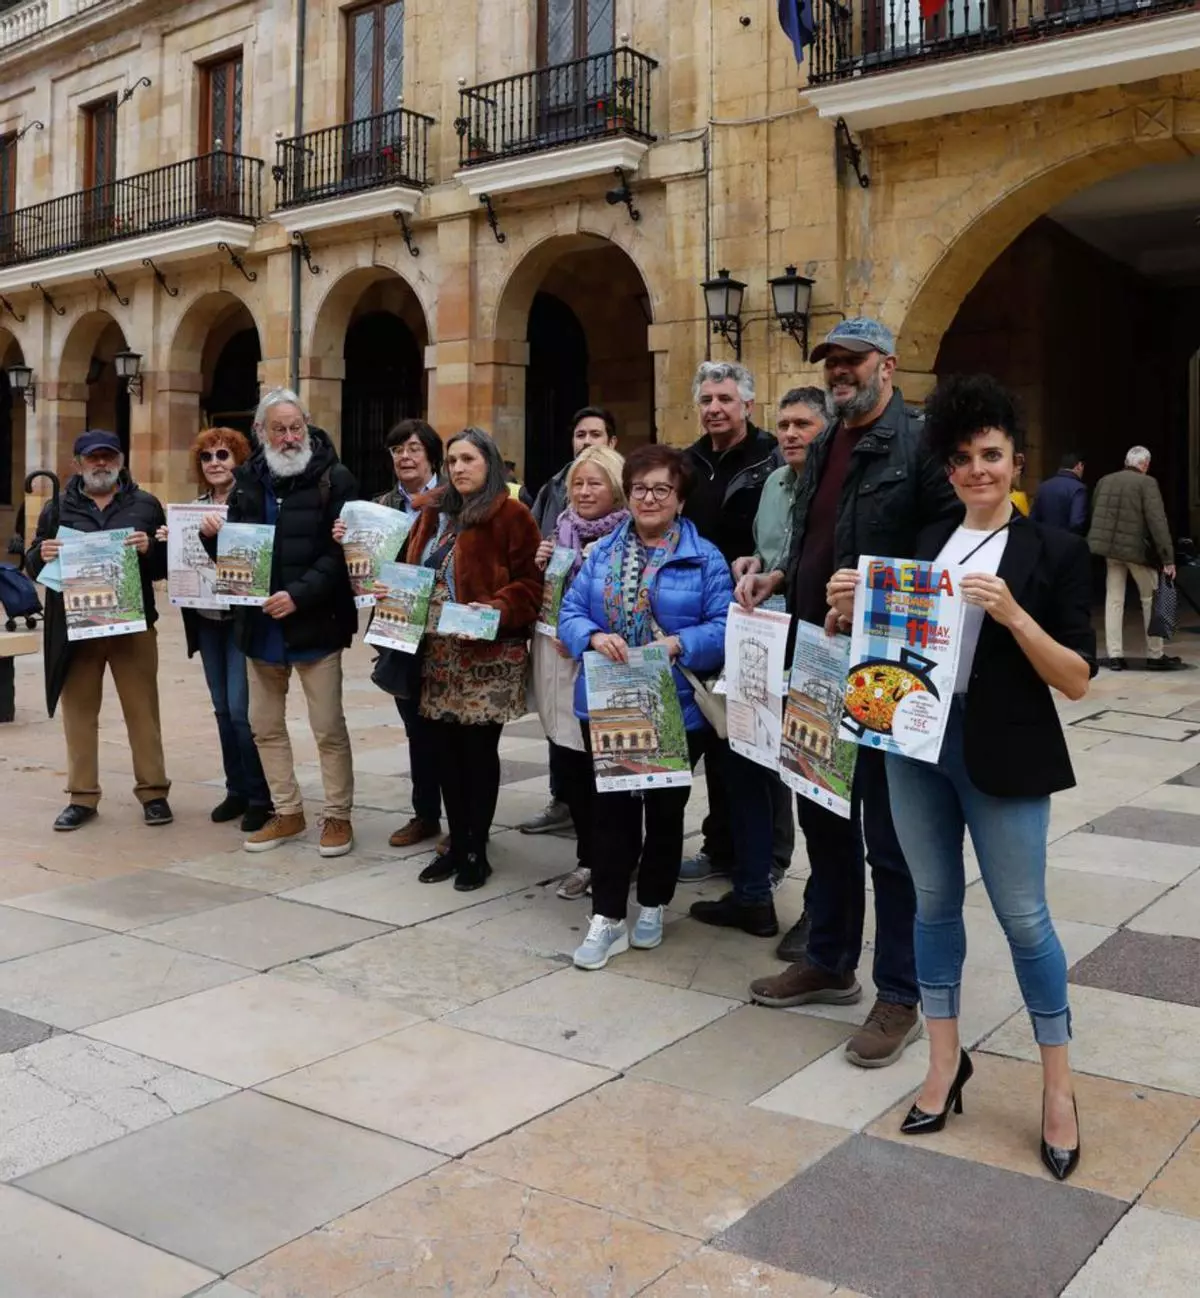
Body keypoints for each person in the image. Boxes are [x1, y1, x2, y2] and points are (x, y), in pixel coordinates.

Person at [827, 374, 1091, 1180]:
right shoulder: (922, 546)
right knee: (932, 907)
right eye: (965, 458)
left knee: (1023, 917)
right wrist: (849, 609)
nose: (979, 470)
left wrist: (1013, 614)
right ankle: (944, 1064)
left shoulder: (1053, 549)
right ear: (948, 469)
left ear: (1016, 462)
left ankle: (1058, 1089)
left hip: (1005, 752)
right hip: (913, 745)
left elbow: (1077, 676)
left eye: (993, 455)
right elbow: (884, 647)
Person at [743, 318, 960, 1069]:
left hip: (884, 667)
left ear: (888, 366)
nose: (839, 373)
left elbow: (946, 559)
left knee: (891, 837)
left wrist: (868, 590)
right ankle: (830, 958)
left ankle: (899, 993)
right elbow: (814, 534)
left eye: (851, 361)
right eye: (831, 363)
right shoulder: (829, 439)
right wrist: (779, 574)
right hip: (816, 655)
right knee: (822, 811)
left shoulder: (924, 445)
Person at [559, 445, 733, 969]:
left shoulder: (706, 558)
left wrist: (679, 644)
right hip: (612, 701)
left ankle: (653, 902)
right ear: (627, 494)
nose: (649, 498)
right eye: (640, 489)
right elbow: (570, 611)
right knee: (610, 813)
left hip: (675, 704)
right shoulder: (603, 553)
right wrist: (591, 636)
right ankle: (607, 918)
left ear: (680, 499)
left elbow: (724, 626)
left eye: (662, 490)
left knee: (664, 811)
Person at [200, 389, 359, 857]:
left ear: (306, 427)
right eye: (279, 429)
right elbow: (239, 557)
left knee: (328, 727)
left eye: (296, 428)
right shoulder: (247, 479)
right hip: (260, 628)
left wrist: (300, 595)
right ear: (261, 434)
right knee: (264, 726)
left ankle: (338, 817)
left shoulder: (336, 477)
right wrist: (214, 540)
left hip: (316, 623)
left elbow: (342, 552)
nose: (289, 438)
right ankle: (287, 811)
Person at [713, 387, 829, 949]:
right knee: (748, 764)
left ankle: (821, 912)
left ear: (825, 428)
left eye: (802, 424)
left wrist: (778, 575)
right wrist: (754, 564)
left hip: (817, 644)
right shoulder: (773, 485)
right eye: (783, 424)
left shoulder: (835, 485)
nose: (789, 434)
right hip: (764, 638)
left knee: (814, 781)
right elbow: (770, 552)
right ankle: (753, 893)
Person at [403, 428, 542, 891]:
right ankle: (455, 843)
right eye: (453, 460)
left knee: (476, 755)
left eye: (469, 459)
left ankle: (475, 851)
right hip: (438, 652)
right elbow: (411, 566)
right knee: (442, 754)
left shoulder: (511, 514)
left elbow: (531, 585)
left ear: (490, 463)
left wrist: (500, 606)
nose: (459, 468)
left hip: (486, 656)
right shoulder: (434, 514)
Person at [679, 361, 793, 905]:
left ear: (748, 404)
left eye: (724, 398)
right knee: (717, 736)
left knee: (758, 741)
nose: (714, 408)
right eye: (706, 399)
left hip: (758, 614)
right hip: (703, 616)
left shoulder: (773, 458)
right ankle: (720, 844)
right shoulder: (688, 461)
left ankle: (770, 857)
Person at [27, 430, 172, 830]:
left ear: (121, 461)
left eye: (109, 457)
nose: (101, 464)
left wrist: (152, 550)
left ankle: (154, 792)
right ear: (78, 464)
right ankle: (82, 796)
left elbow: (164, 567)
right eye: (93, 458)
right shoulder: (57, 507)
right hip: (78, 628)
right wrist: (42, 553)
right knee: (79, 713)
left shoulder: (145, 505)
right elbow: (34, 564)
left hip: (134, 625)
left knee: (143, 711)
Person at [530, 445, 629, 900]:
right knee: (569, 762)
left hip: (601, 662)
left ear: (616, 488)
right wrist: (543, 566)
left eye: (596, 483)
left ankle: (609, 859)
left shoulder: (628, 535)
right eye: (578, 483)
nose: (585, 492)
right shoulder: (561, 529)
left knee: (605, 769)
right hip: (556, 657)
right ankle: (589, 857)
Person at [165, 428, 272, 833]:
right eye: (207, 457)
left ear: (239, 459)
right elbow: (175, 564)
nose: (215, 463)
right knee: (223, 710)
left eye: (223, 455)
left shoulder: (252, 503)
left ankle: (261, 796)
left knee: (244, 713)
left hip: (241, 621)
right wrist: (166, 543)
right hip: (207, 623)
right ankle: (236, 789)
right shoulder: (191, 509)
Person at [521, 406, 620, 837]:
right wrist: (543, 559)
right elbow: (541, 552)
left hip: (605, 652)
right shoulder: (557, 505)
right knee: (564, 736)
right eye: (580, 434)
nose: (586, 441)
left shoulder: (628, 528)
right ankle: (568, 808)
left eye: (595, 434)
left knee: (604, 748)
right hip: (558, 644)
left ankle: (607, 840)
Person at [371, 419, 446, 851]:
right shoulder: (381, 506)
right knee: (415, 727)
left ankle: (465, 819)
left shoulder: (454, 502)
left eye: (414, 448)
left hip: (443, 631)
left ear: (431, 456)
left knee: (451, 729)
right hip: (399, 629)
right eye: (397, 449)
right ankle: (425, 814)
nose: (405, 456)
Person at [1088, 446, 1179, 671]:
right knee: (1151, 598)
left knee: (1114, 599)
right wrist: (1168, 558)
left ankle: (1114, 655)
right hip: (1136, 552)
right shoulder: (1147, 483)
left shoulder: (1105, 480)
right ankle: (1155, 654)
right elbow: (1157, 521)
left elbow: (1095, 512)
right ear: (1145, 464)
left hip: (1110, 551)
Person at [1030, 452, 1088, 535]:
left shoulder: (1043, 486)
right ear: (1079, 465)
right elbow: (1076, 522)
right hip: (1066, 542)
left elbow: (1033, 518)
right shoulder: (1079, 489)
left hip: (1044, 541)